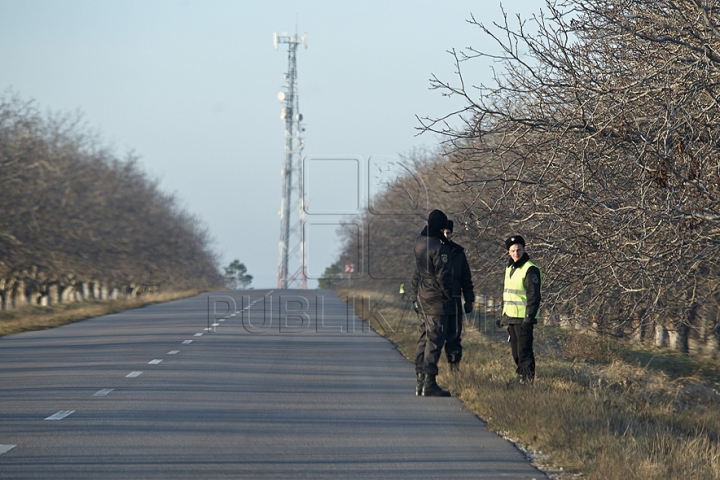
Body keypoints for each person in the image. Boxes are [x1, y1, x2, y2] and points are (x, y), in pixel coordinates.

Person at [410, 209, 454, 397]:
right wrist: (451, 295)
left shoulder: (419, 242)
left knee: (423, 337)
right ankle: (429, 381)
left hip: (422, 294)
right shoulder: (438, 247)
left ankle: (420, 379)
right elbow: (443, 275)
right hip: (436, 298)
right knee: (434, 339)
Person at [496, 235, 541, 384]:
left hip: (523, 319)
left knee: (524, 351)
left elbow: (533, 296)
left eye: (519, 250)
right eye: (513, 250)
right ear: (508, 252)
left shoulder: (530, 269)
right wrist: (503, 316)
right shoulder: (510, 267)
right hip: (511, 317)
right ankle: (521, 376)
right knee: (516, 352)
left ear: (524, 249)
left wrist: (529, 318)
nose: (516, 253)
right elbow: (507, 294)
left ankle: (527, 380)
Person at [441, 220, 474, 372]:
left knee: (454, 335)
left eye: (448, 232)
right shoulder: (433, 250)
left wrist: (469, 299)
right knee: (435, 335)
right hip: (437, 301)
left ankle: (454, 366)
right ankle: (430, 369)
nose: (446, 235)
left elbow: (466, 279)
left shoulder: (458, 253)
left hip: (454, 300)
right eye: (443, 232)